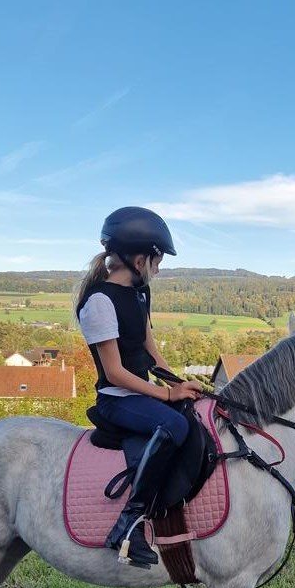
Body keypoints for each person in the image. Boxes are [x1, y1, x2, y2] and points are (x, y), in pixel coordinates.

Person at [76, 206, 203, 569]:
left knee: (190, 413)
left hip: (139, 393)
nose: (158, 268)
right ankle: (128, 524)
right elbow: (115, 373)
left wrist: (180, 383)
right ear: (138, 257)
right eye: (157, 260)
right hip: (117, 399)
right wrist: (165, 395)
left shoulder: (140, 295)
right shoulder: (100, 302)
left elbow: (150, 350)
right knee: (175, 425)